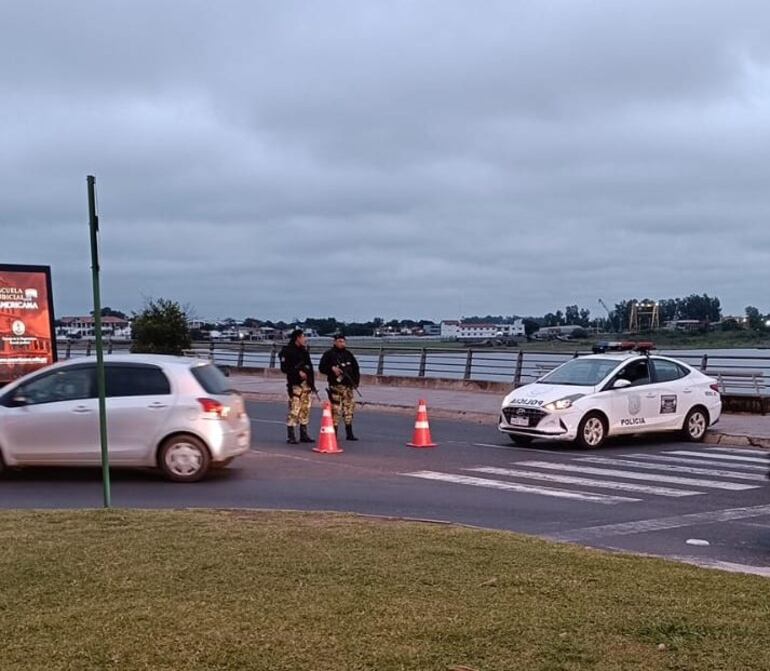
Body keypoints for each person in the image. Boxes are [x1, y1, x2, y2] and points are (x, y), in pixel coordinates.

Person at [318, 333, 361, 440]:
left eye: (343, 341)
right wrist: (331, 369)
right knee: (336, 410)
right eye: (339, 341)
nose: (342, 343)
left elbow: (356, 369)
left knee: (349, 409)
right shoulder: (329, 354)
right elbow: (322, 368)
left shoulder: (348, 355)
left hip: (348, 386)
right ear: (335, 342)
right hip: (335, 386)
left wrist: (355, 382)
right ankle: (334, 433)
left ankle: (349, 433)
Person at [279, 329, 316, 444]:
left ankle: (303, 434)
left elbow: (309, 367)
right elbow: (284, 368)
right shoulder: (287, 351)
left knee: (305, 409)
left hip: (306, 385)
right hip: (295, 384)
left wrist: (311, 383)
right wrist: (297, 372)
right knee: (294, 410)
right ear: (297, 338)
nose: (305, 339)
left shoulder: (304, 352)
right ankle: (291, 435)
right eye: (303, 337)